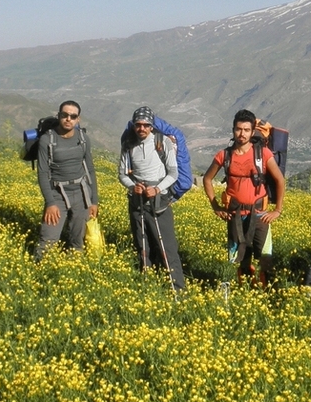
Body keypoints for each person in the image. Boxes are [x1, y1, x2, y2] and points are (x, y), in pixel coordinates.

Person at [203, 109, 285, 287]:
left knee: (266, 257)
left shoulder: (263, 154)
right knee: (242, 257)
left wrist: (277, 210)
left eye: (246, 130)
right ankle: (246, 288)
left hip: (260, 214)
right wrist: (215, 206)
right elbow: (207, 179)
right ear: (233, 130)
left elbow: (279, 180)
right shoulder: (224, 155)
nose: (242, 134)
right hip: (235, 214)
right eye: (239, 129)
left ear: (252, 130)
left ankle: (269, 293)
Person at [118, 106, 185, 291]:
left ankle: (178, 290)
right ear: (134, 126)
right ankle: (148, 287)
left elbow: (173, 173)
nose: (142, 129)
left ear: (152, 126)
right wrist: (133, 186)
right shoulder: (128, 144)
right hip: (137, 202)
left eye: (146, 125)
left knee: (167, 248)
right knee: (142, 246)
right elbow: (122, 174)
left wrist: (157, 188)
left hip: (159, 203)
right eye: (138, 125)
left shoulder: (163, 142)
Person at [36, 101, 99, 260]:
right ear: (59, 116)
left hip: (81, 193)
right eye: (64, 115)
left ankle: (73, 272)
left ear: (78, 119)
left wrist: (94, 201)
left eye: (73, 116)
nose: (68, 119)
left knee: (77, 240)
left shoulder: (83, 139)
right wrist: (50, 203)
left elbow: (90, 170)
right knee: (48, 239)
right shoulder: (47, 140)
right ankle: (40, 273)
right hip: (57, 194)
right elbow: (43, 173)